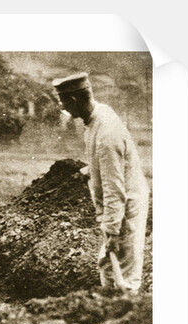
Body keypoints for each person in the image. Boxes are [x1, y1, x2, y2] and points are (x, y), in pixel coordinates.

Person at [52, 72, 150, 293]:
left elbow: (115, 188)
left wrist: (113, 230)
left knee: (124, 277)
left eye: (64, 103)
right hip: (118, 204)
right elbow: (111, 163)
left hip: (126, 206)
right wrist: (90, 171)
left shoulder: (106, 133)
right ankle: (109, 312)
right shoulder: (97, 116)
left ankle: (127, 316)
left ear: (74, 101)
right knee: (107, 265)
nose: (63, 109)